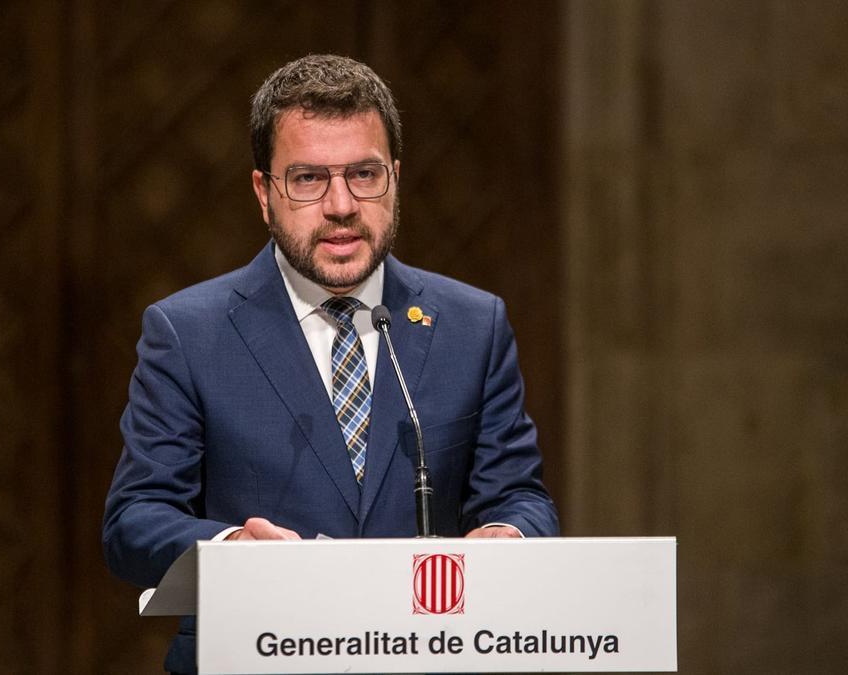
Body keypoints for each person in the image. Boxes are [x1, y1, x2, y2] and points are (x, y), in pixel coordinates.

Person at [103, 53, 559, 673]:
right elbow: (134, 522)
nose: (341, 204)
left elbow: (521, 499)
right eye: (309, 179)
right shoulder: (188, 333)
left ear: (394, 179)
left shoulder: (472, 326)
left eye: (364, 174)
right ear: (265, 193)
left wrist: (513, 536)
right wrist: (232, 547)